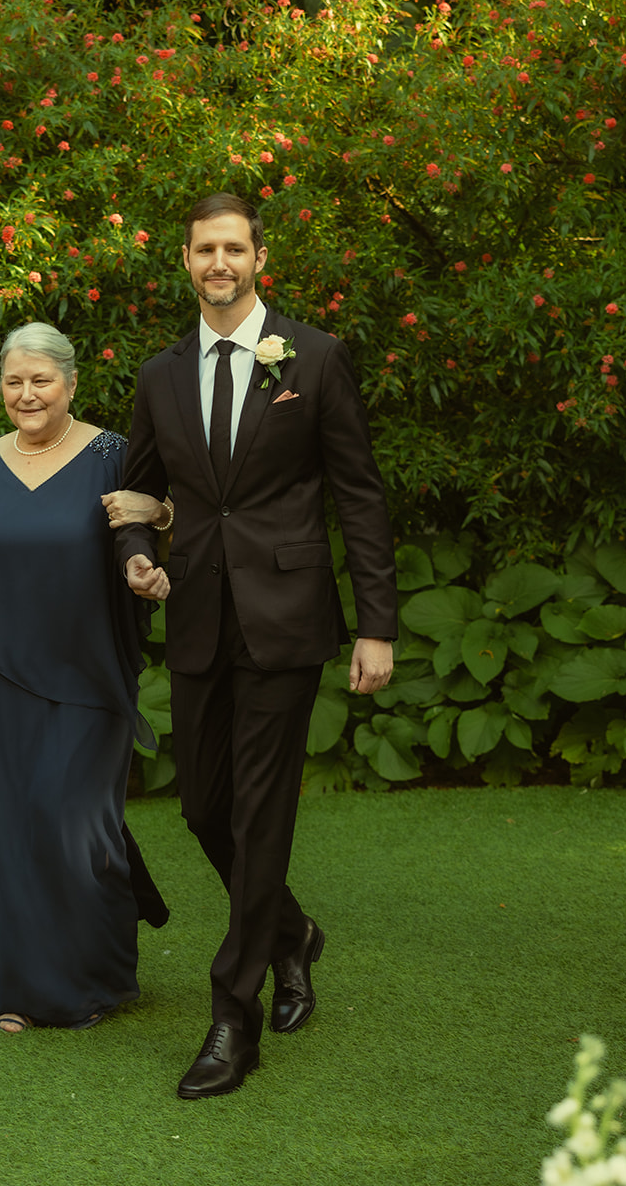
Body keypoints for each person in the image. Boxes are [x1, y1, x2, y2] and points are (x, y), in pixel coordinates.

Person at [112, 192, 398, 1098]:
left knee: (263, 812)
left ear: (259, 259)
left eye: (234, 248)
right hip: (198, 615)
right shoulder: (161, 375)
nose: (219, 263)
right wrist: (136, 560)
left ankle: (232, 1018)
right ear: (187, 262)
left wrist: (375, 623)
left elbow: (358, 493)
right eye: (205, 250)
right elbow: (133, 497)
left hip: (286, 620)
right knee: (203, 807)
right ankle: (291, 933)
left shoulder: (312, 358)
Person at [0, 322, 169, 1032]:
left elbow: (160, 515)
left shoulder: (111, 453)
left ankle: (100, 970)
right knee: (6, 830)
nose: (27, 394)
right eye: (14, 382)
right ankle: (22, 991)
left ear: (71, 384)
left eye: (41, 381)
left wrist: (153, 548)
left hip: (88, 677)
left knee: (70, 819)